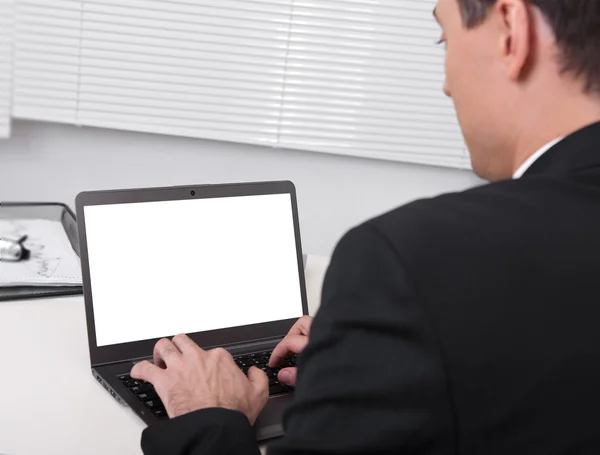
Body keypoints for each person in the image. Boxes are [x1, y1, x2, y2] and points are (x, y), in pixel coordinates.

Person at [132, 0, 600, 453]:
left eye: (445, 37)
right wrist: (377, 367)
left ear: (510, 31)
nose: (447, 86)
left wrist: (207, 418)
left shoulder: (408, 261)